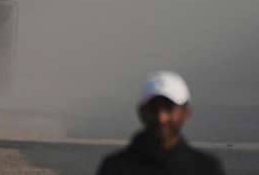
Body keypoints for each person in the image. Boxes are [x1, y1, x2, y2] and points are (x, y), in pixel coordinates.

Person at [96, 71, 226, 175]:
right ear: (141, 112)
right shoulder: (116, 169)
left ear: (185, 112)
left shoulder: (206, 168)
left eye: (169, 108)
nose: (161, 117)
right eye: (153, 108)